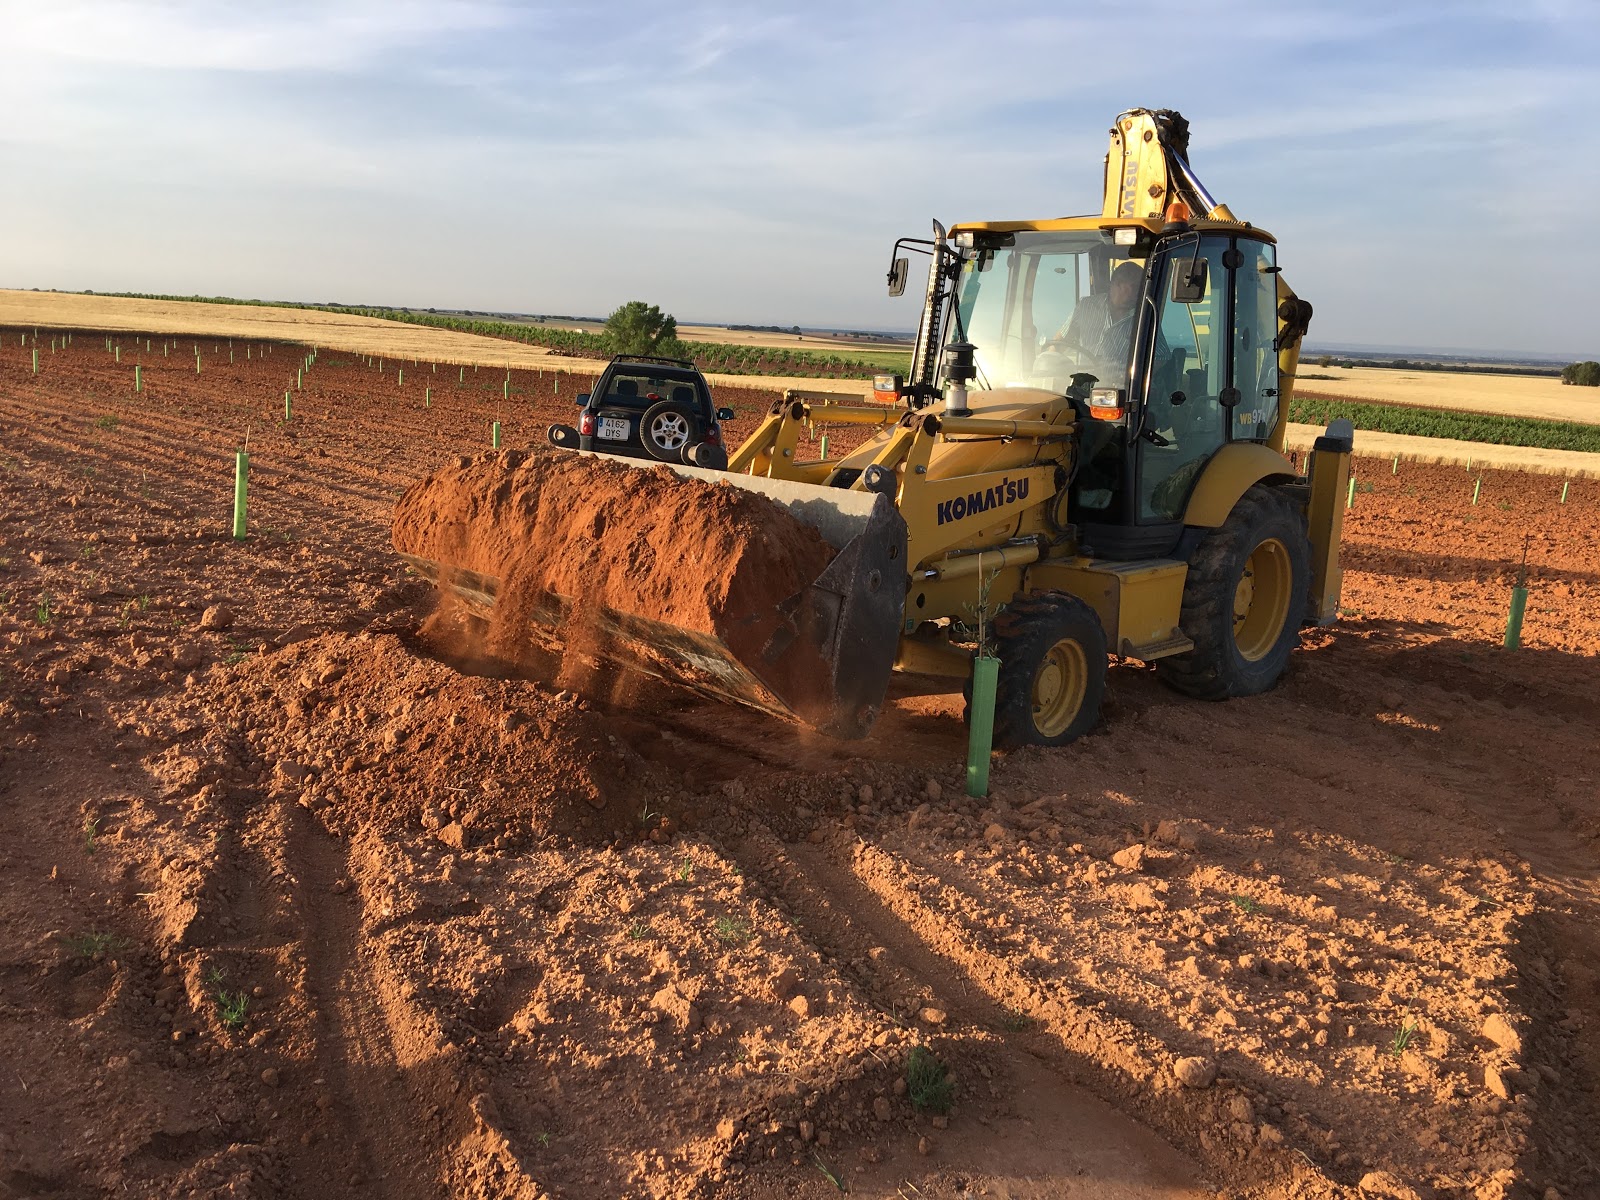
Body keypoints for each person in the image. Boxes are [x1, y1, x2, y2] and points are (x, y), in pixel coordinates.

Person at [1043, 260, 1144, 379]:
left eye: (1139, 288)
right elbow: (1060, 342)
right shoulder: (1086, 306)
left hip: (1121, 385)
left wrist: (1133, 376)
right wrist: (1049, 367)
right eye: (1134, 287)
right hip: (1083, 383)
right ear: (1116, 284)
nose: (1137, 293)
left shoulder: (1143, 315)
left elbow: (1158, 358)